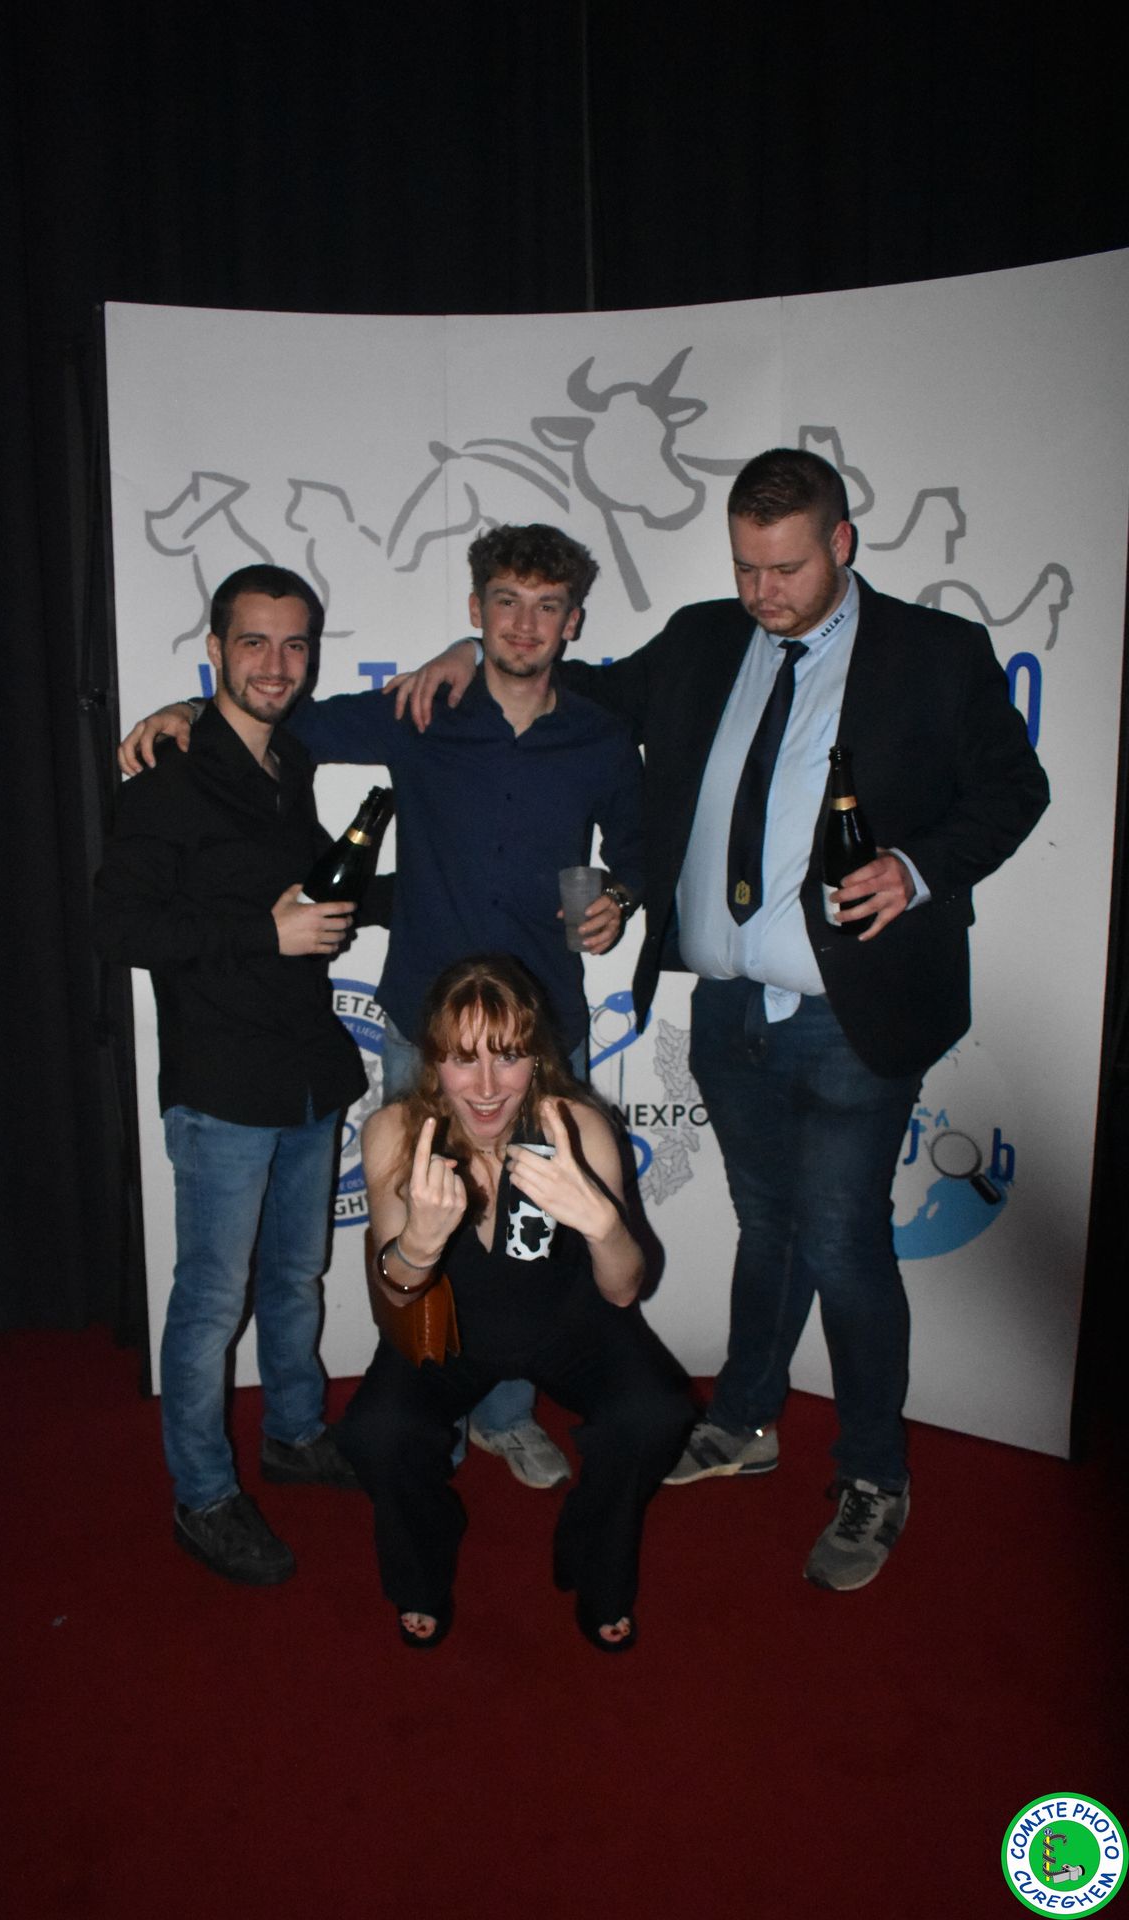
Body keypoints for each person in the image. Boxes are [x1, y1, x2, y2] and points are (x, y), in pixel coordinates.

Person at [390, 449, 1050, 1592]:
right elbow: (567, 687)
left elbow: (1012, 790)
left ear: (839, 544)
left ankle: (872, 1472)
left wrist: (914, 869)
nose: (761, 592)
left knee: (841, 1244)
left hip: (852, 1013)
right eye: (745, 568)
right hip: (726, 1006)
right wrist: (470, 654)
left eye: (783, 569)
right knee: (766, 1225)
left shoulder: (933, 654)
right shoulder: (703, 638)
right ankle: (745, 1418)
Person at [118, 525, 645, 1493]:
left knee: (526, 1238)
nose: (523, 625)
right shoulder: (421, 710)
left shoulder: (601, 736)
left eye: (546, 607)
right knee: (418, 1235)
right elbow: (280, 720)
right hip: (420, 1027)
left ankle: (506, 1414)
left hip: (533, 1032)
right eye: (505, 602)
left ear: (573, 622)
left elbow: (641, 844)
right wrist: (187, 711)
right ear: (476, 610)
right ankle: (430, 1413)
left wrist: (621, 892)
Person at [93, 564, 371, 1586]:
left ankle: (293, 1434)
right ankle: (203, 1496)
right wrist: (263, 931)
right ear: (214, 650)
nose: (276, 665)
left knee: (296, 1279)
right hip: (220, 1087)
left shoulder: (289, 762)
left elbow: (317, 898)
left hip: (305, 1074)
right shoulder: (165, 779)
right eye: (254, 642)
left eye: (295, 644)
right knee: (211, 1305)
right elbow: (119, 928)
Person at [338, 955, 694, 1651]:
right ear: (433, 1061)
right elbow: (395, 1302)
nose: (486, 1087)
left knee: (655, 1414)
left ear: (537, 1058)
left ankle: (592, 1555)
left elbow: (624, 1289)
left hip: (569, 1323)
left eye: (507, 1057)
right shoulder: (397, 1133)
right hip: (451, 1330)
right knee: (376, 1433)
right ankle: (425, 1562)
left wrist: (604, 1225)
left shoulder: (576, 1126)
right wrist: (417, 1247)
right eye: (463, 1059)